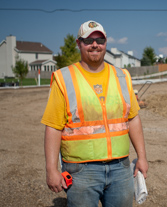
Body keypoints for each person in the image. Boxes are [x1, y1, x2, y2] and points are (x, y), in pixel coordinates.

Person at [41, 20, 148, 207]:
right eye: (88, 40)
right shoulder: (64, 78)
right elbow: (53, 127)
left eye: (100, 40)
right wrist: (51, 169)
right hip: (81, 172)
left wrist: (142, 157)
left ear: (106, 43)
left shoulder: (122, 76)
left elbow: (133, 118)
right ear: (78, 43)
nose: (95, 45)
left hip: (121, 169)